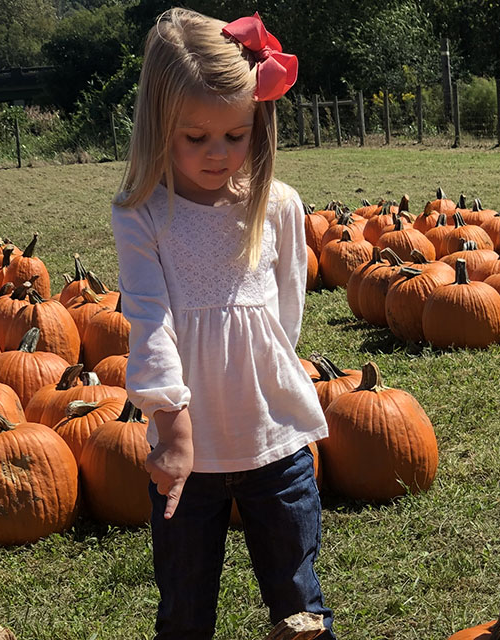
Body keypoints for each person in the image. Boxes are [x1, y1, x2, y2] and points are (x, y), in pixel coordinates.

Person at [110, 8, 335, 640]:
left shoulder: (278, 205)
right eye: (195, 137)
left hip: (276, 444)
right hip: (187, 459)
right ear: (159, 126)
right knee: (185, 610)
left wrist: (269, 388)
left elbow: (285, 317)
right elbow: (149, 320)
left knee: (299, 601)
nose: (218, 154)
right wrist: (173, 427)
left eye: (235, 136)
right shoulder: (143, 216)